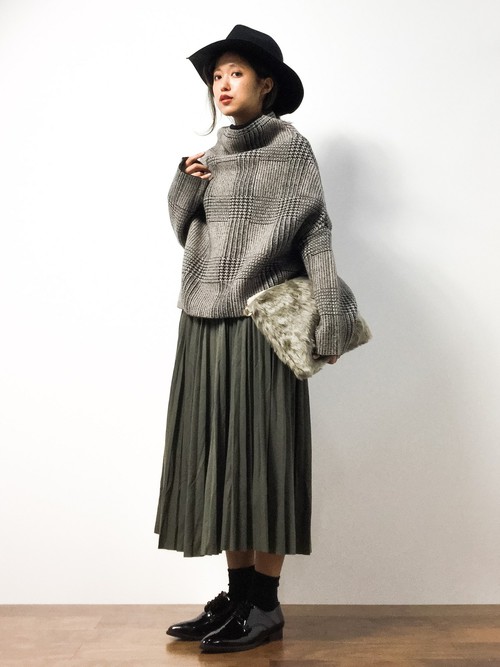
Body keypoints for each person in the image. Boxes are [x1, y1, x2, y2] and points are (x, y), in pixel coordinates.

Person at [154, 24, 350, 654]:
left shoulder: (291, 151)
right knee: (220, 461)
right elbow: (185, 232)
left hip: (261, 327)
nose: (222, 84)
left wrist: (329, 316)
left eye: (235, 73)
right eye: (217, 76)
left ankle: (265, 604)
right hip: (203, 321)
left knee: (264, 460)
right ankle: (238, 596)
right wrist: (187, 182)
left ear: (266, 85)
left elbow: (316, 234)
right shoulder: (212, 155)